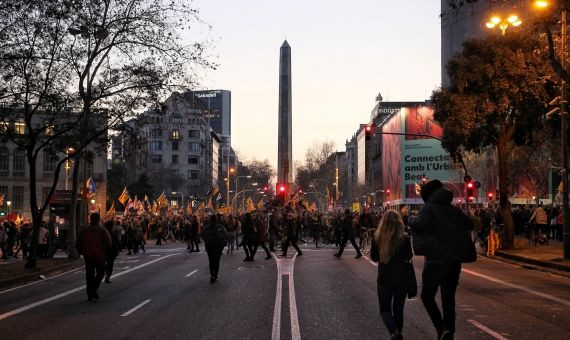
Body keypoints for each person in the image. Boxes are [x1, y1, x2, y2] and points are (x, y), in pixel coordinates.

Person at [409, 180, 474, 340]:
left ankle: (442, 329)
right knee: (448, 298)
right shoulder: (454, 209)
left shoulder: (429, 208)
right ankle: (449, 332)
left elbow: (420, 225)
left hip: (436, 261)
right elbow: (469, 223)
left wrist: (410, 219)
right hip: (454, 261)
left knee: (427, 296)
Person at [370, 210, 413, 340]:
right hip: (401, 278)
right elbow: (409, 256)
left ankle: (394, 332)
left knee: (385, 310)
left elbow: (374, 257)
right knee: (398, 309)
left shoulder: (377, 237)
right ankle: (397, 332)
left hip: (384, 278)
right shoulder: (404, 238)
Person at [76, 213, 112, 301]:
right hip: (100, 255)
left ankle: (90, 292)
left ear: (90, 219)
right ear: (98, 219)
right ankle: (93, 289)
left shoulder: (85, 230)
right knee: (101, 273)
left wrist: (82, 252)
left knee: (89, 275)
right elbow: (109, 243)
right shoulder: (102, 230)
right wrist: (106, 252)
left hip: (88, 256)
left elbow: (77, 243)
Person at [202, 214, 227, 283]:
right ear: (216, 219)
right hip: (218, 246)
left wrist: (206, 241)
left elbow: (202, 235)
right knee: (216, 260)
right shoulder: (220, 227)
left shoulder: (206, 227)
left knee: (211, 260)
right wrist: (223, 243)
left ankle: (212, 275)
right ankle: (215, 275)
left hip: (209, 246)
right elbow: (225, 235)